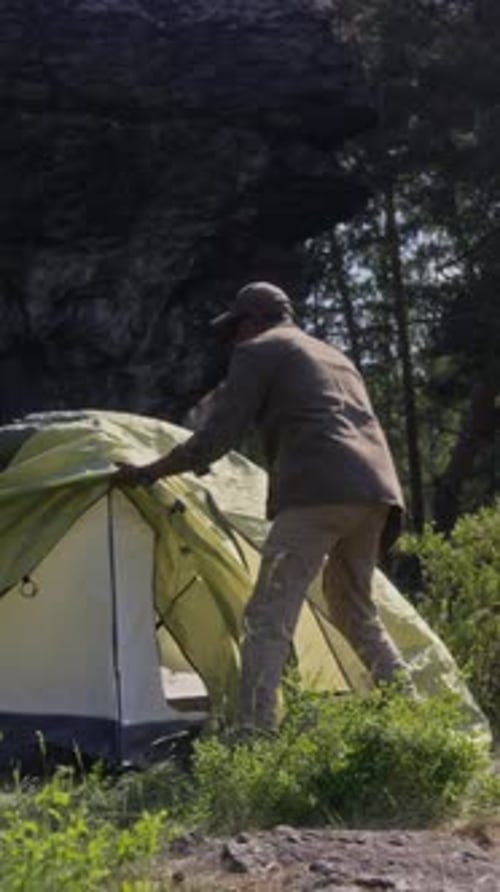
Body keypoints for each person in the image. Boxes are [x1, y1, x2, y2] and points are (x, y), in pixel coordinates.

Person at [115, 281, 415, 733]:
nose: (234, 338)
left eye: (236, 327)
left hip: (317, 493)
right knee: (355, 608)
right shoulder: (334, 356)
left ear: (253, 321)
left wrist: (149, 472)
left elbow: (220, 431)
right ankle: (415, 713)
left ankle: (256, 732)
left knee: (268, 614)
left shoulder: (258, 350)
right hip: (376, 494)